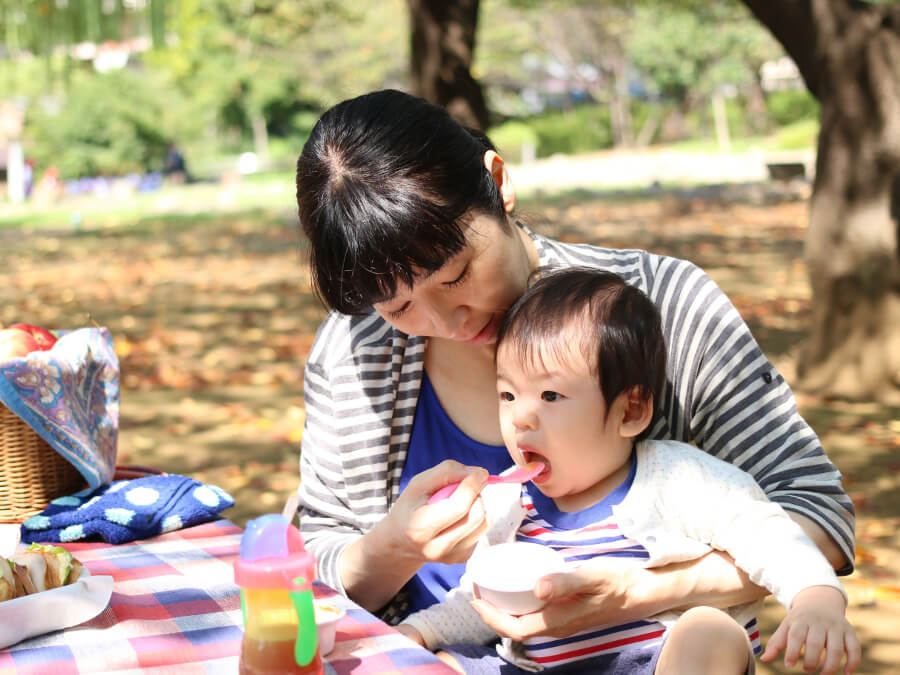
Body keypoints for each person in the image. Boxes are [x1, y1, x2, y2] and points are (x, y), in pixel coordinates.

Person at [293, 89, 854, 645]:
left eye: (456, 275)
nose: (447, 322)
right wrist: (395, 547)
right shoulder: (353, 350)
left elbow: (818, 515)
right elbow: (312, 569)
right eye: (399, 306)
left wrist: (638, 592)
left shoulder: (663, 305)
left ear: (500, 182)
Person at [395, 267, 860, 675]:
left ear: (630, 411)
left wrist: (816, 595)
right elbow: (481, 600)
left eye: (551, 396)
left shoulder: (677, 480)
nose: (520, 418)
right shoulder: (508, 508)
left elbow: (768, 535)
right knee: (446, 663)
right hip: (533, 667)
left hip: (652, 660)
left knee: (709, 632)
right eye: (508, 395)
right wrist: (417, 633)